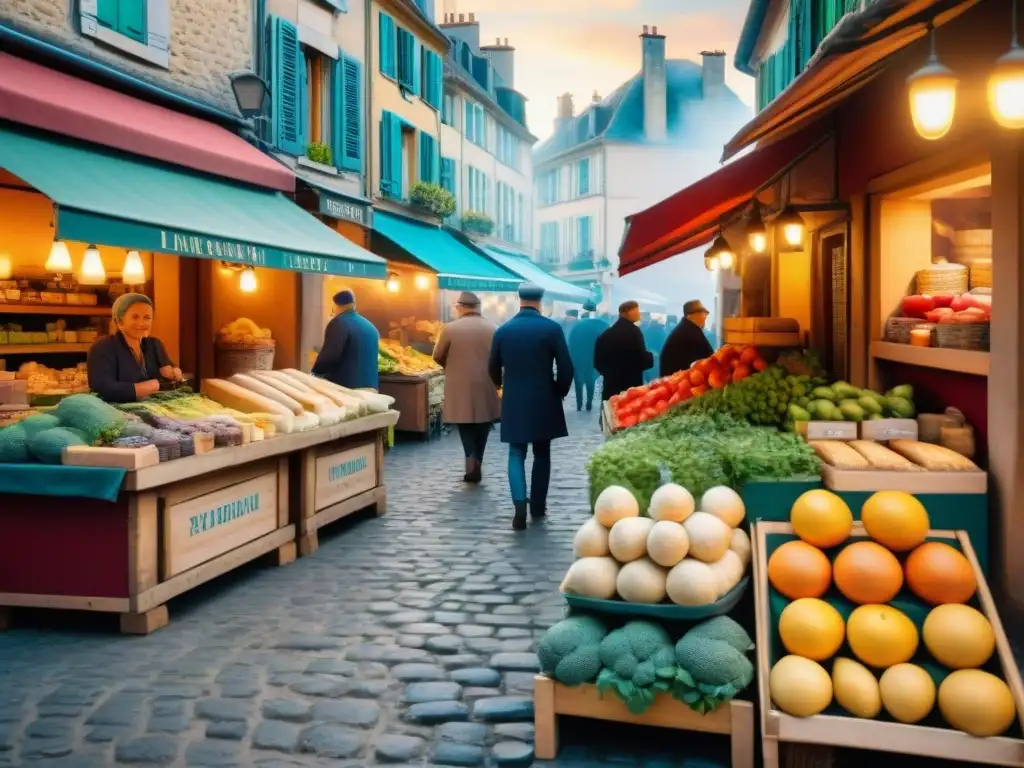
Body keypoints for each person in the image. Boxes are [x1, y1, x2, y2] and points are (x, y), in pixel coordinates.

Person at [489, 283, 574, 531]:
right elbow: (567, 368)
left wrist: (500, 387)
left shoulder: (503, 330)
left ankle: (519, 508)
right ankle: (537, 505)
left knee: (516, 453)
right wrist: (559, 391)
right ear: (541, 301)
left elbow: (492, 367)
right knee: (542, 453)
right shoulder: (552, 328)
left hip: (514, 397)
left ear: (520, 300)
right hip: (543, 396)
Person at [433, 292, 501, 484]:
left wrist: (452, 366)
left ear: (461, 307)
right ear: (477, 307)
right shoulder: (493, 328)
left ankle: (471, 462)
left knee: (465, 425)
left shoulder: (450, 329)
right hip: (487, 383)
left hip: (459, 384)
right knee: (483, 424)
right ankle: (477, 460)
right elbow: (499, 358)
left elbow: (437, 355)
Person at [87, 293, 182, 402]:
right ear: (119, 321)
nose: (141, 323)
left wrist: (175, 372)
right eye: (135, 317)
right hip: (114, 412)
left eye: (147, 317)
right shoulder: (103, 346)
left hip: (155, 408)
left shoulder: (154, 344)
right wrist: (148, 387)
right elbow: (103, 388)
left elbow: (169, 367)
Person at [312, 289, 380, 390]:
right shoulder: (370, 327)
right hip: (371, 388)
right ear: (353, 305)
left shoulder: (338, 322)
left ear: (336, 306)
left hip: (348, 389)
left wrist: (316, 372)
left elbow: (330, 354)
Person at [594, 300, 653, 403]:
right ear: (628, 312)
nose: (639, 314)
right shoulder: (635, 332)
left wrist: (609, 373)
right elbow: (641, 360)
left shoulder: (606, 334)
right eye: (637, 311)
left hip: (610, 386)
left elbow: (597, 362)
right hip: (630, 388)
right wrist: (651, 356)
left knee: (610, 415)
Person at [567, 299, 608, 412]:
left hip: (578, 359)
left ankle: (579, 404)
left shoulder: (577, 326)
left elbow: (571, 343)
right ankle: (589, 402)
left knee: (578, 381)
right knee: (590, 380)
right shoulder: (603, 324)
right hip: (594, 359)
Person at [660, 299, 715, 377]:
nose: (705, 317)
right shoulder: (692, 333)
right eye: (703, 313)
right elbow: (710, 360)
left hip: (674, 381)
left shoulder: (684, 329)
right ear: (693, 314)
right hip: (679, 383)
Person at [640, 313, 667, 384]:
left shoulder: (645, 331)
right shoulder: (662, 332)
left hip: (648, 356)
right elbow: (665, 344)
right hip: (659, 357)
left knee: (648, 379)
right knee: (657, 379)